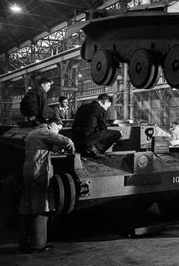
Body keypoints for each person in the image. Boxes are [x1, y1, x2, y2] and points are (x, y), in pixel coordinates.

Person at [19, 118, 75, 253]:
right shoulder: (44, 131)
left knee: (27, 208)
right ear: (53, 124)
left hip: (29, 171)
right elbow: (65, 141)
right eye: (58, 129)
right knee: (41, 207)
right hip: (38, 173)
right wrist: (71, 149)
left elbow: (46, 147)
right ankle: (38, 245)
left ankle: (24, 243)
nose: (57, 131)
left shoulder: (33, 133)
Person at [71, 94, 121, 158]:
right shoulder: (101, 110)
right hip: (87, 141)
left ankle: (89, 149)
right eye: (107, 106)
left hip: (76, 142)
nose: (107, 109)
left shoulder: (82, 107)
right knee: (117, 134)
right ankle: (94, 150)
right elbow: (103, 128)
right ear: (104, 102)